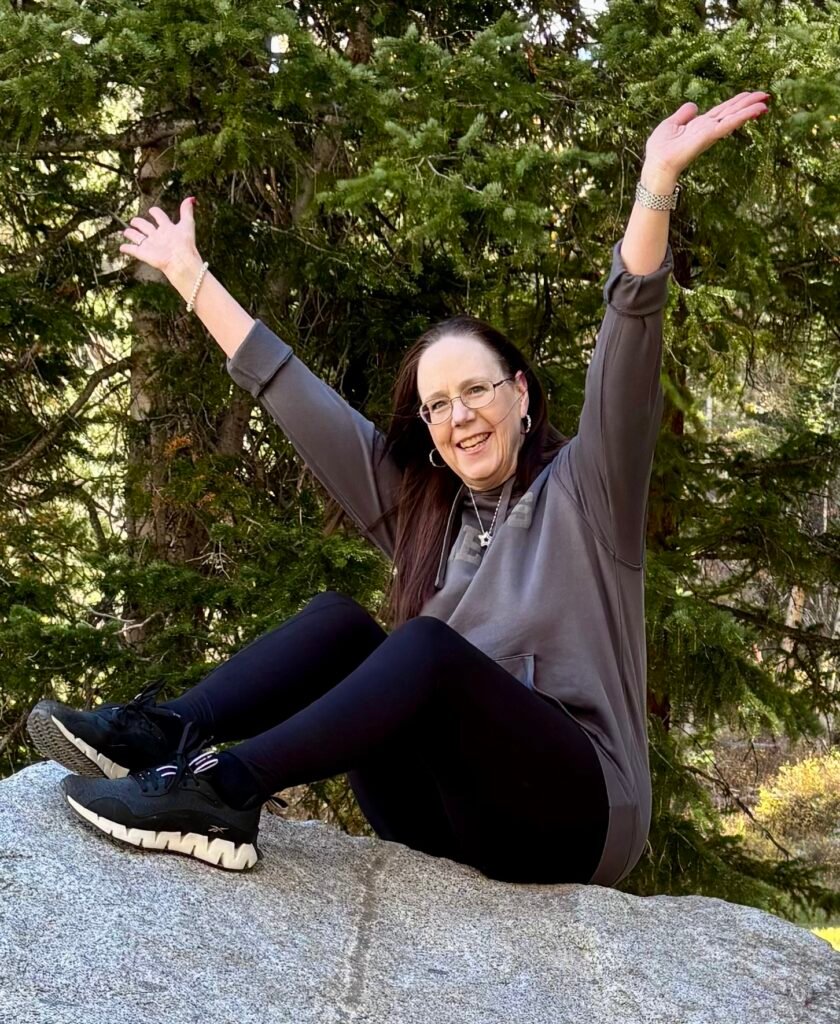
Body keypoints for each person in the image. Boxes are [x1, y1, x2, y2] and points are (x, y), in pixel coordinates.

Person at [27, 91, 770, 880]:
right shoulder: (428, 514)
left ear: (521, 394)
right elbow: (296, 396)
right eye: (438, 405)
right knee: (342, 625)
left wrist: (654, 186)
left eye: (478, 390)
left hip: (576, 816)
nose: (461, 417)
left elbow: (629, 342)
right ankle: (163, 735)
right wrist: (189, 273)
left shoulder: (591, 491)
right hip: (444, 815)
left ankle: (224, 790)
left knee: (425, 648)